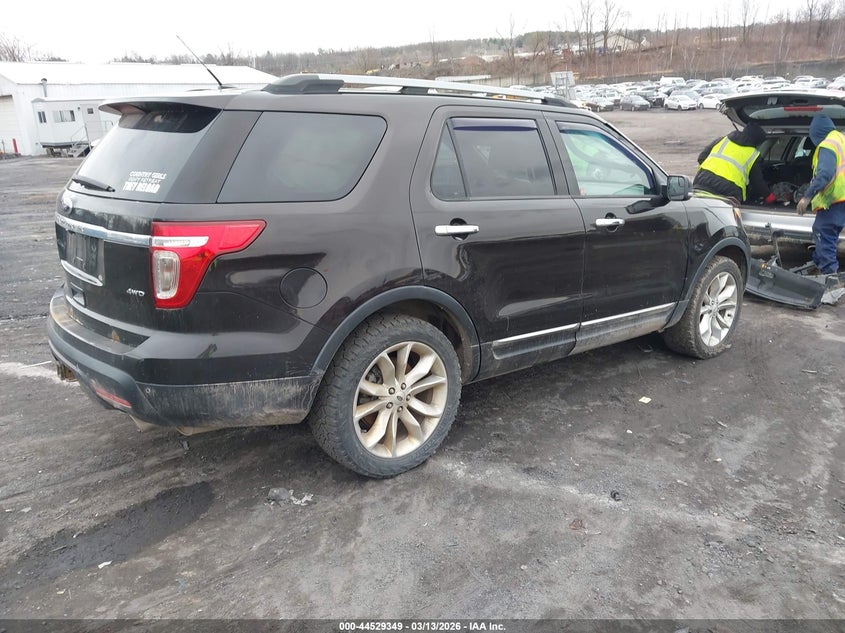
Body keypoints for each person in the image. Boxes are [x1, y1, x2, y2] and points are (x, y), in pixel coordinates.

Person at [796, 115, 845, 274]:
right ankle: (818, 266)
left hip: (834, 199)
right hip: (842, 197)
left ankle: (830, 278)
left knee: (823, 232)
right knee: (827, 234)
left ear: (816, 133)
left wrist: (807, 196)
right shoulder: (840, 139)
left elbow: (824, 174)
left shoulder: (828, 145)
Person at [693, 121, 778, 204]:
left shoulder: (723, 140)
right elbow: (757, 182)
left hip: (701, 182)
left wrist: (713, 171)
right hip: (728, 191)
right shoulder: (752, 155)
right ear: (757, 141)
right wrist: (769, 196)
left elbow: (701, 158)